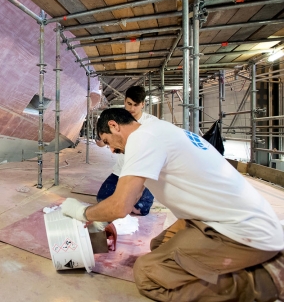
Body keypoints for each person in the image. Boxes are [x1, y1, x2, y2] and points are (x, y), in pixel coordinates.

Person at [61, 108, 284, 301]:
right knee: (159, 245)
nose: (111, 150)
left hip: (241, 230)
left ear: (114, 125)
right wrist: (103, 220)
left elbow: (120, 205)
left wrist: (82, 212)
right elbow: (133, 195)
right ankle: (235, 265)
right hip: (219, 218)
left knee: (148, 274)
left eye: (108, 142)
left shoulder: (142, 139)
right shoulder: (158, 130)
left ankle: (264, 281)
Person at [96, 85, 155, 215]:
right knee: (102, 199)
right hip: (121, 170)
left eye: (136, 105)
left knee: (141, 208)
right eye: (129, 104)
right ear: (124, 102)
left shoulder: (151, 124)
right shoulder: (118, 119)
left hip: (143, 173)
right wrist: (103, 140)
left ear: (142, 104)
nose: (132, 108)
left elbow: (152, 163)